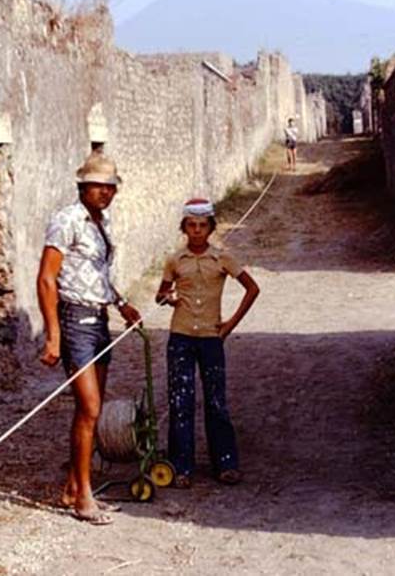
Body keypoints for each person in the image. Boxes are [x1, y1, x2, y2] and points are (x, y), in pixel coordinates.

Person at [36, 152, 142, 525]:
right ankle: (83, 496)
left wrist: (122, 302)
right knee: (91, 407)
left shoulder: (102, 222)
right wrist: (53, 335)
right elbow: (47, 279)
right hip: (75, 321)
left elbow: (96, 273)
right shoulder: (67, 220)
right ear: (83, 187)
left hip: (99, 319)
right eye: (98, 186)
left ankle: (73, 487)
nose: (106, 193)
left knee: (89, 411)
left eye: (111, 187)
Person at [155, 198, 260, 489]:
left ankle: (226, 462)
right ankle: (181, 466)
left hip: (212, 340)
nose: (197, 231)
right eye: (192, 225)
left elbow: (252, 289)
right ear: (184, 228)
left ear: (211, 228)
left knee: (216, 402)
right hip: (181, 338)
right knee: (181, 401)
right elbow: (160, 295)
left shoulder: (223, 258)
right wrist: (169, 298)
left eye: (203, 225)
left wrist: (230, 325)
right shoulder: (175, 260)